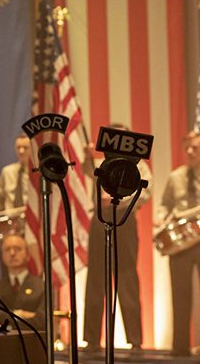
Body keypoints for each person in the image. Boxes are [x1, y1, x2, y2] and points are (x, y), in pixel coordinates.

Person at [82, 124, 152, 353]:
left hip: (124, 219)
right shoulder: (96, 161)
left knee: (127, 276)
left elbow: (146, 191)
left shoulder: (138, 165)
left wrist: (122, 201)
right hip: (99, 219)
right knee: (95, 278)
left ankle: (135, 341)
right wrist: (85, 157)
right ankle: (92, 340)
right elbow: (84, 177)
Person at [155, 130, 200, 356]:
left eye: (196, 148)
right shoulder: (176, 177)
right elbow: (165, 204)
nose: (191, 152)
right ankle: (180, 348)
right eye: (188, 148)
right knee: (180, 295)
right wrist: (160, 217)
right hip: (182, 242)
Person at [0, 234, 44, 331]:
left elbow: (42, 320)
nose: (12, 253)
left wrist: (4, 316)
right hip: (2, 343)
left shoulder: (42, 287)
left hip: (33, 342)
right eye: (7, 250)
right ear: (2, 256)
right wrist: (21, 314)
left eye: (17, 249)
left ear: (28, 255)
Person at [0, 133, 31, 217]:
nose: (21, 151)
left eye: (25, 148)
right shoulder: (7, 172)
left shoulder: (38, 175)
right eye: (18, 147)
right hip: (11, 224)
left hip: (31, 223)